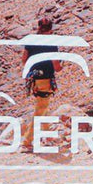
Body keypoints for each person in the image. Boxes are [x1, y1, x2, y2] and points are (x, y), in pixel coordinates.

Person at [22, 17, 60, 151]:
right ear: (50, 29)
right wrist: (61, 67)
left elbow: (24, 60)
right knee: (41, 109)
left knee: (43, 106)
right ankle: (27, 141)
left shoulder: (31, 40)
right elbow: (56, 66)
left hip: (34, 79)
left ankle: (47, 137)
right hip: (46, 79)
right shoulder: (51, 43)